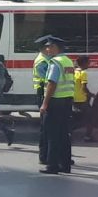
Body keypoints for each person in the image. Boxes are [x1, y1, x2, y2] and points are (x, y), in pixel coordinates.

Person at [38, 36, 74, 174]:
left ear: (56, 48)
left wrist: (44, 104)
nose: (47, 49)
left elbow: (52, 84)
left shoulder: (55, 62)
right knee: (64, 134)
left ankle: (52, 166)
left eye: (49, 46)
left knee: (52, 134)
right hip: (67, 101)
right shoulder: (68, 61)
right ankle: (65, 165)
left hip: (55, 101)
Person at [32, 39, 52, 166]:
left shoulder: (45, 59)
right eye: (48, 47)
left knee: (47, 127)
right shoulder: (42, 61)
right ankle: (43, 156)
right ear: (44, 48)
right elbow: (48, 79)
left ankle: (46, 155)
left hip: (44, 93)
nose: (50, 49)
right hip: (43, 93)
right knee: (45, 128)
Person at [73, 55, 95, 142]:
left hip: (74, 98)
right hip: (82, 99)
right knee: (90, 118)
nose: (89, 64)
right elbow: (84, 88)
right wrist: (91, 94)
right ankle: (88, 137)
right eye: (88, 62)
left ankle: (68, 133)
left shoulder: (74, 72)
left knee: (77, 118)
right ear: (84, 63)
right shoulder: (83, 73)